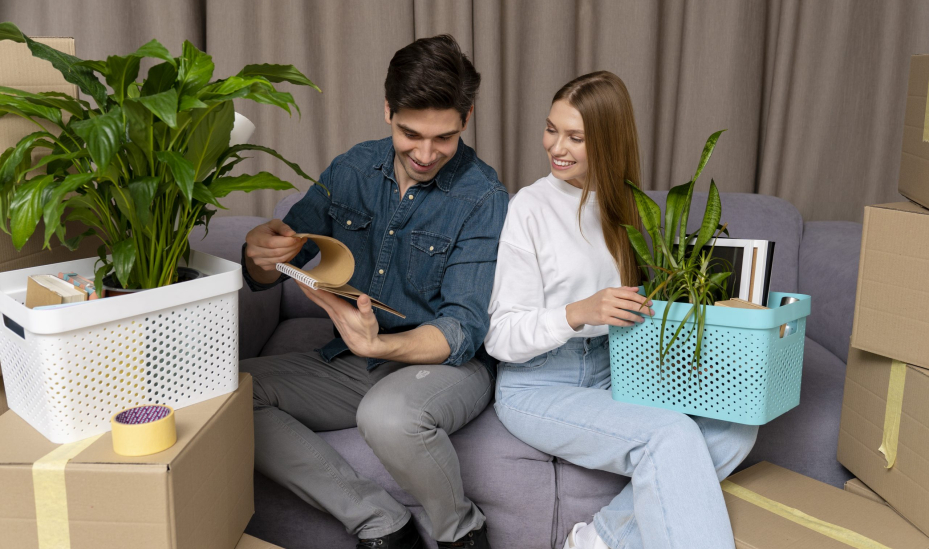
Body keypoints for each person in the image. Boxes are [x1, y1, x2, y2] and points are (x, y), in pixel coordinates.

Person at [240, 35, 507, 549]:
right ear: (387, 109)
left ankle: (462, 534)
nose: (426, 153)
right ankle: (382, 524)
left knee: (386, 416)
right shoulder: (352, 168)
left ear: (466, 120)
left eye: (444, 138)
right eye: (411, 134)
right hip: (356, 361)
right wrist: (264, 257)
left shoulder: (485, 196)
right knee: (226, 395)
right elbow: (283, 261)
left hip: (446, 366)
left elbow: (464, 327)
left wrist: (380, 345)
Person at [484, 71, 758, 549]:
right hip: (539, 383)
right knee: (669, 436)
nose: (556, 147)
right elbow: (501, 336)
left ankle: (599, 540)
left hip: (617, 368)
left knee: (736, 425)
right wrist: (580, 311)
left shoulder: (626, 208)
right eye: (552, 129)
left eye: (576, 137)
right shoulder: (529, 207)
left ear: (608, 142)